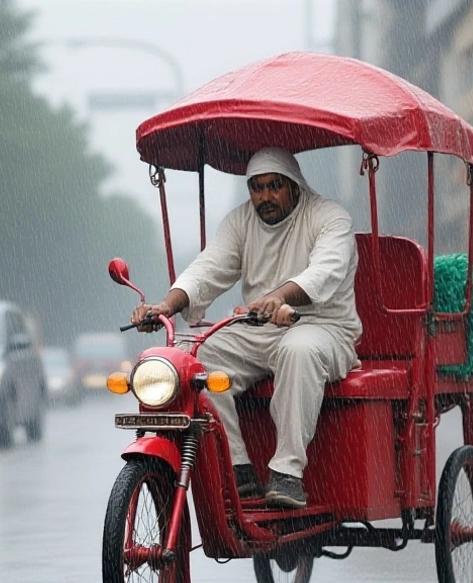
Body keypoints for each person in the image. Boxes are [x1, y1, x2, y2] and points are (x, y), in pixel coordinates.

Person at [130, 147, 361, 509]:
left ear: (295, 186)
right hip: (261, 329)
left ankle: (287, 473)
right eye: (256, 188)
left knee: (296, 349)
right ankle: (239, 468)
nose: (265, 197)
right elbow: (208, 268)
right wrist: (166, 306)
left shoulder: (330, 218)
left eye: (274, 187)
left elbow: (324, 273)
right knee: (199, 356)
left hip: (324, 328)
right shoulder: (241, 222)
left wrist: (279, 295)